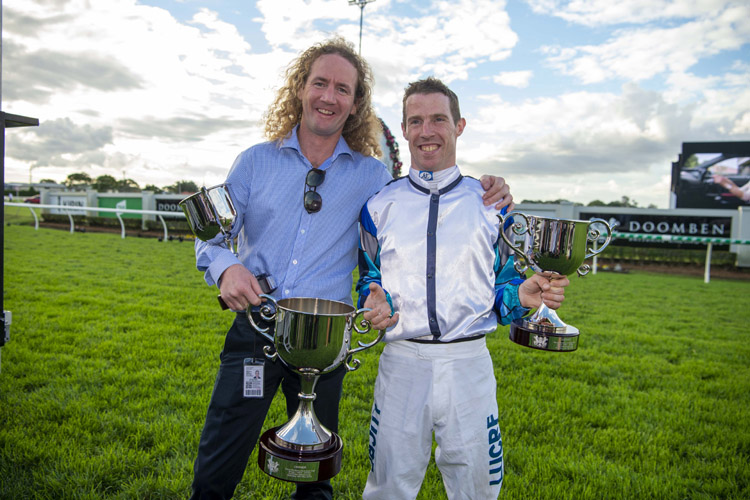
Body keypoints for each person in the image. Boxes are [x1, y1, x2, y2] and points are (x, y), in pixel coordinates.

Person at [190, 39, 514, 500]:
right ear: (300, 89)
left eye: (343, 88)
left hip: (326, 343)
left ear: (356, 103)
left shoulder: (374, 180)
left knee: (316, 474)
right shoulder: (254, 162)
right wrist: (225, 269)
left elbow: (415, 221)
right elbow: (211, 232)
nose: (329, 96)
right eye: (319, 83)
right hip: (257, 332)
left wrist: (493, 189)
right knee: (220, 459)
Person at [356, 77, 570, 500]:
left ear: (459, 125)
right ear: (403, 129)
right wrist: (371, 297)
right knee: (387, 489)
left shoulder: (491, 204)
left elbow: (506, 289)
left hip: (469, 363)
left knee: (477, 490)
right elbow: (368, 277)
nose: (427, 130)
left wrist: (522, 298)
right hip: (402, 365)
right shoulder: (378, 206)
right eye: (416, 120)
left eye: (439, 118)